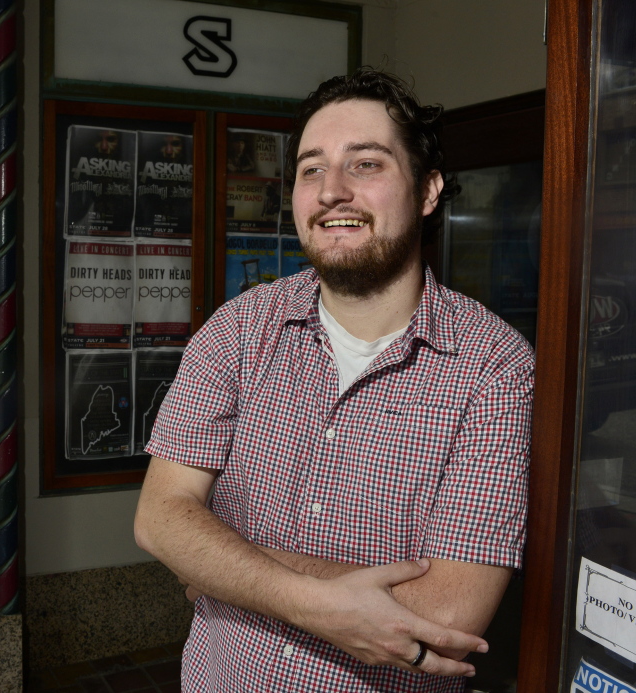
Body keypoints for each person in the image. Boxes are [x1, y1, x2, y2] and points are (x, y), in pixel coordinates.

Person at [134, 67, 535, 693]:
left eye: (366, 164)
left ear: (429, 191)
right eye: (311, 169)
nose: (331, 191)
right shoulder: (240, 328)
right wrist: (322, 600)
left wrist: (228, 564)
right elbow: (160, 517)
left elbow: (447, 616)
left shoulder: (495, 367)